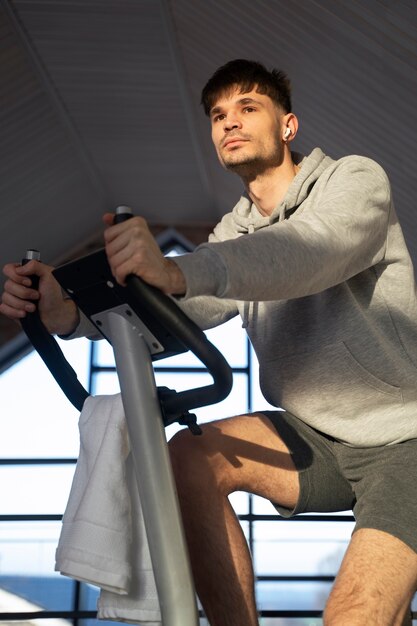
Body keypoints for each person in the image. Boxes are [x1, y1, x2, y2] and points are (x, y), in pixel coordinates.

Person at [2, 59, 417, 626]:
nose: (230, 123)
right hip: (316, 436)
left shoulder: (354, 182)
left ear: (288, 126)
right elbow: (180, 311)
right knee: (189, 458)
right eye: (219, 116)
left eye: (248, 108)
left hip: (406, 441)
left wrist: (181, 272)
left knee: (354, 616)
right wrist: (67, 315)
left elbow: (309, 251)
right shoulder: (233, 233)